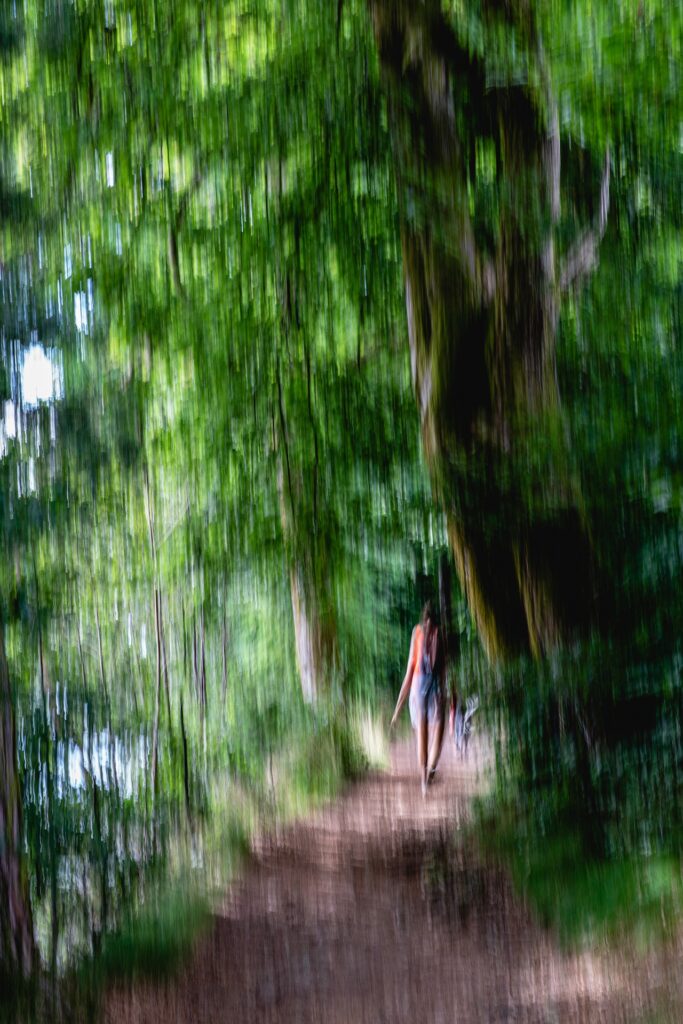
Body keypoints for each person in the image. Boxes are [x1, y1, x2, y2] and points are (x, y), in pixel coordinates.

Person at [390, 601, 446, 795]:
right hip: (436, 685)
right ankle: (430, 771)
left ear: (423, 616)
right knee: (439, 730)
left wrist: (398, 709)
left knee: (422, 732)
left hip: (417, 684)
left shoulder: (417, 632)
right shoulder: (441, 633)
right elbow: (443, 669)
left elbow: (409, 671)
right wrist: (443, 692)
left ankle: (423, 781)